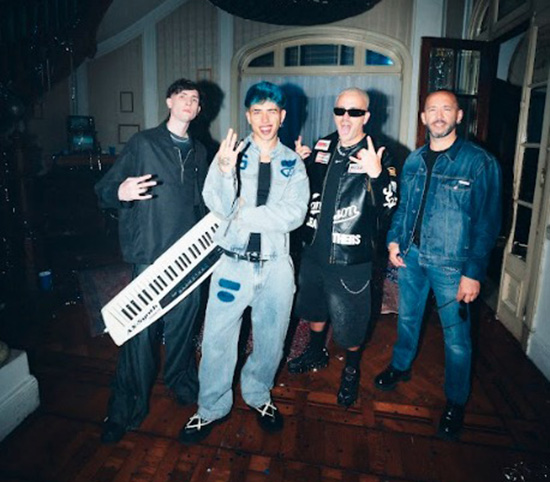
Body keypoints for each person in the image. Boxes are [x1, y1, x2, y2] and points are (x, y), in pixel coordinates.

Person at [179, 81, 309, 444]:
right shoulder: (231, 154)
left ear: (282, 116)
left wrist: (243, 215)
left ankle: (258, 395)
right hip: (232, 265)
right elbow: (218, 205)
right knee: (217, 341)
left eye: (272, 112)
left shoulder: (294, 163)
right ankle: (210, 408)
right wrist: (224, 172)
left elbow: (294, 214)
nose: (265, 120)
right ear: (248, 116)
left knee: (271, 341)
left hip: (276, 266)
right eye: (257, 112)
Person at [373, 89, 502, 440]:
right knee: (407, 319)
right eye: (432, 109)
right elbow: (403, 207)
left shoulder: (479, 163)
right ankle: (401, 366)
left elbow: (488, 223)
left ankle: (456, 400)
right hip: (412, 257)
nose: (439, 115)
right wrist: (394, 240)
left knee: (457, 339)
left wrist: (473, 273)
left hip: (452, 266)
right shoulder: (413, 160)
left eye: (447, 109)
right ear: (423, 117)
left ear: (459, 116)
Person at [95, 78, 208, 443]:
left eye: (195, 99)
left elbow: (205, 204)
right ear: (169, 102)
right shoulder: (143, 143)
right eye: (182, 96)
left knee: (183, 329)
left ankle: (180, 382)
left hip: (189, 258)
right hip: (150, 256)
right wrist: (121, 190)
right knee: (139, 336)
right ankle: (125, 408)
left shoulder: (200, 151)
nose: (189, 102)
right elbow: (103, 190)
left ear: (198, 110)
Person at [288, 87, 398, 407]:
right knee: (314, 308)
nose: (346, 118)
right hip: (313, 249)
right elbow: (306, 191)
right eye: (340, 111)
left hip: (351, 255)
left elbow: (390, 206)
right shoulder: (323, 145)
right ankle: (315, 351)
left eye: (354, 112)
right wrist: (299, 165)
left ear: (366, 116)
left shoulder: (379, 154)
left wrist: (377, 176)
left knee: (351, 322)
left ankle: (350, 370)